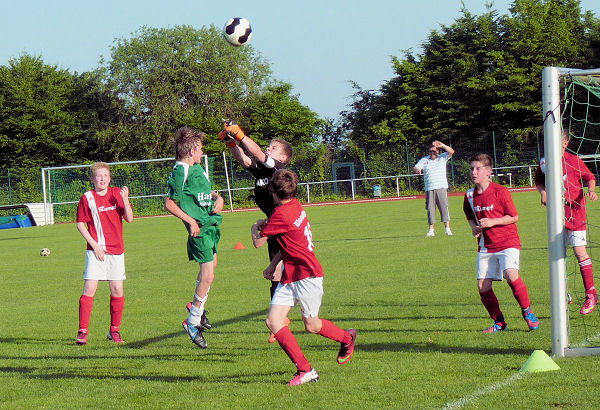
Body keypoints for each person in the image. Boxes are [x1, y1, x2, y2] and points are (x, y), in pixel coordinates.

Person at [251, 169, 357, 386]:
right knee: (273, 321)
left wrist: (255, 227)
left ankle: (347, 338)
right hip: (291, 274)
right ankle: (305, 369)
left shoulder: (281, 215)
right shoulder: (295, 205)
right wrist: (273, 265)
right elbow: (288, 243)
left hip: (307, 275)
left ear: (273, 191)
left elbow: (258, 242)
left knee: (312, 325)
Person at [220, 120, 294, 343]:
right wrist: (231, 142)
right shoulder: (264, 169)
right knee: (275, 275)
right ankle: (278, 321)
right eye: (269, 146)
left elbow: (257, 154)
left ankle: (282, 319)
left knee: (285, 274)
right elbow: (245, 160)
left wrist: (240, 135)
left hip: (286, 227)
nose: (268, 149)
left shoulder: (278, 169)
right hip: (274, 224)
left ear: (282, 158)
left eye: (273, 148)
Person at [463, 153, 540, 333]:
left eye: (478, 168)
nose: (474, 172)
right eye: (472, 168)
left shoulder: (500, 191)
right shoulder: (469, 195)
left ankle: (528, 312)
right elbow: (468, 214)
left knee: (511, 274)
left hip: (507, 242)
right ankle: (499, 322)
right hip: (486, 245)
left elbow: (514, 216)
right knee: (483, 287)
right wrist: (474, 228)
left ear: (489, 171)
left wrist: (492, 222)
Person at [165, 126, 224, 349]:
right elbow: (169, 203)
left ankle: (195, 308)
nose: (202, 153)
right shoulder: (181, 170)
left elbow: (206, 193)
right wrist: (190, 221)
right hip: (198, 229)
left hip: (210, 225)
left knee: (211, 271)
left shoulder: (197, 168)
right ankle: (192, 322)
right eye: (200, 149)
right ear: (192, 150)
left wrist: (218, 199)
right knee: (207, 274)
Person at [535, 131, 598, 315]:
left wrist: (591, 191)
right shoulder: (545, 161)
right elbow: (539, 180)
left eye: (556, 140)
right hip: (556, 215)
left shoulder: (574, 160)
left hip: (575, 213)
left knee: (579, 252)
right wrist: (543, 193)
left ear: (565, 143)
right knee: (557, 256)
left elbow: (590, 177)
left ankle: (591, 294)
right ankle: (563, 293)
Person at [75, 162, 134, 345]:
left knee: (117, 290)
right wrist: (95, 245)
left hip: (116, 251)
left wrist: (125, 199)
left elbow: (129, 219)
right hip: (96, 251)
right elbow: (80, 224)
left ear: (109, 178)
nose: (102, 179)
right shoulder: (87, 198)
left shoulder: (116, 194)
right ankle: (83, 331)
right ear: (92, 179)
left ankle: (114, 331)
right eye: (98, 176)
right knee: (89, 290)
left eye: (105, 176)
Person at [413, 140, 455, 237]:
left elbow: (451, 151)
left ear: (438, 152)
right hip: (429, 188)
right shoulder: (425, 160)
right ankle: (431, 230)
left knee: (444, 207)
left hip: (441, 187)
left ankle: (447, 229)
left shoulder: (442, 158)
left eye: (434, 151)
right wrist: (417, 170)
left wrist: (442, 145)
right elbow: (416, 167)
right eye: (430, 151)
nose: (432, 153)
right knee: (430, 209)